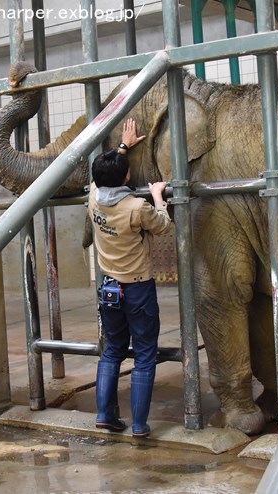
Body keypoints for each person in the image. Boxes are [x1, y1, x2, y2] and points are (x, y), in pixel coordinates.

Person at [88, 118, 171, 437]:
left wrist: (123, 145)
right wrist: (158, 195)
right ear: (126, 176)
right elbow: (163, 226)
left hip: (108, 288)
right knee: (145, 354)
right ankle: (138, 425)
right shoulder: (136, 206)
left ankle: (105, 416)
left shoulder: (94, 197)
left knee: (112, 351)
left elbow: (101, 177)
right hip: (137, 288)